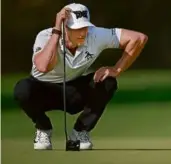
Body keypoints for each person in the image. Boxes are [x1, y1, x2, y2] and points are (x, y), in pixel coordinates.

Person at [13, 3, 148, 150]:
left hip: (74, 90)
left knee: (108, 82)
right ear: (65, 27)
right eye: (77, 29)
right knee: (22, 89)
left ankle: (80, 131)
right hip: (42, 90)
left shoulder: (94, 34)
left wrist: (116, 69)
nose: (83, 33)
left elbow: (139, 38)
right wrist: (56, 32)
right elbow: (43, 66)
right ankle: (43, 128)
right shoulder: (45, 36)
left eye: (85, 27)